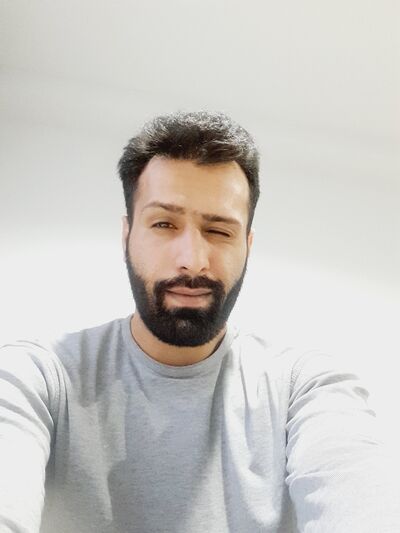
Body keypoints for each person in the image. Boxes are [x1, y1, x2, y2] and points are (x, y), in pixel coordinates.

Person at [0, 111, 398, 533]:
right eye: (164, 224)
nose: (192, 259)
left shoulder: (306, 388)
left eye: (219, 231)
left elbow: (359, 496)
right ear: (127, 235)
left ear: (247, 246)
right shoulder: (37, 377)